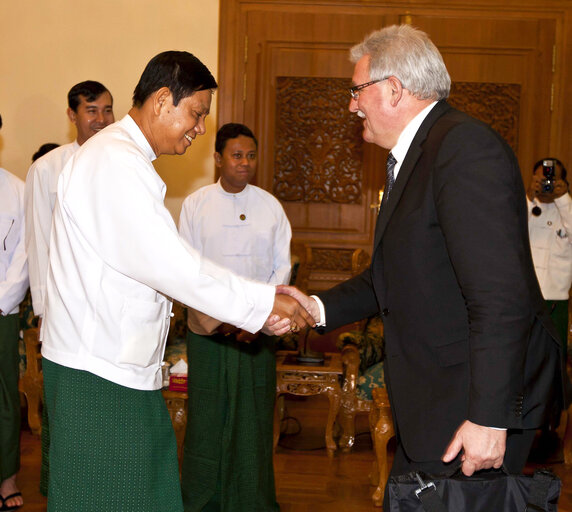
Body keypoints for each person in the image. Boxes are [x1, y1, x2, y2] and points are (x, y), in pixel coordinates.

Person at [278, 24, 566, 491]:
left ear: (393, 89)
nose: (351, 105)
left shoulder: (464, 150)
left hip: (474, 400)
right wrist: (316, 308)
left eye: (356, 91)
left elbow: (500, 296)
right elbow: (390, 276)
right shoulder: (417, 154)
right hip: (438, 396)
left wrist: (490, 419)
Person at [40, 51, 312, 512]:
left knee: (147, 489)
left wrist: (253, 300)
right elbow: (171, 263)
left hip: (116, 364)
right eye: (197, 113)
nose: (200, 128)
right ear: (164, 100)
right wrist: (260, 302)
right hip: (98, 368)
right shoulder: (114, 162)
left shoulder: (125, 159)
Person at [178, 123, 291, 511]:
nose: (245, 163)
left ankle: (252, 501)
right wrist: (222, 319)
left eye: (251, 155)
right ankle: (203, 502)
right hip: (208, 332)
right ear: (218, 159)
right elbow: (187, 271)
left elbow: (282, 270)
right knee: (206, 420)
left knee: (254, 421)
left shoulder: (270, 206)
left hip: (256, 333)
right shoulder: (196, 204)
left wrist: (254, 318)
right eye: (236, 155)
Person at [25, 80, 114, 320]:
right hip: (66, 299)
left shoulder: (128, 165)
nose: (102, 119)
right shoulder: (47, 168)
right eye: (91, 110)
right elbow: (39, 241)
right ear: (72, 115)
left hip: (115, 297)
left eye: (107, 110)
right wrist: (44, 308)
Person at [526, 157, 572, 461]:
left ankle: (549, 425)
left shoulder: (567, 210)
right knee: (524, 364)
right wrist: (529, 195)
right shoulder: (523, 205)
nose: (546, 184)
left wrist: (564, 196)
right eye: (541, 179)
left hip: (555, 301)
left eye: (552, 180)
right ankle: (523, 426)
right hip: (525, 301)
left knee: (552, 369)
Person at [0, 113, 29, 512]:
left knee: (5, 395)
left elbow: (23, 254)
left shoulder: (16, 191)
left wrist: (3, 300)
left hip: (1, 307)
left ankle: (6, 479)